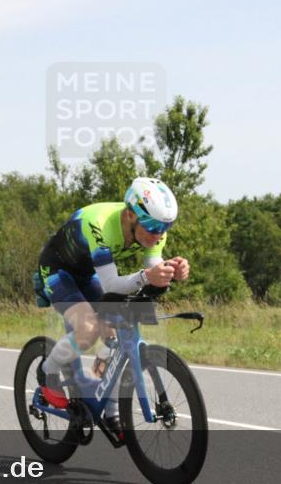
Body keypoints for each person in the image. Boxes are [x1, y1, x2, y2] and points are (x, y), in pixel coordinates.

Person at [34, 177, 190, 434]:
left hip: (88, 272)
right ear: (130, 215)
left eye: (166, 227)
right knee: (87, 329)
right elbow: (111, 284)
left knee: (115, 334)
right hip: (57, 270)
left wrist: (170, 271)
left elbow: (153, 267)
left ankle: (109, 408)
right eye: (152, 226)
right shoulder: (101, 224)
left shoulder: (154, 229)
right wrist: (145, 277)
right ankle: (47, 371)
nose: (159, 234)